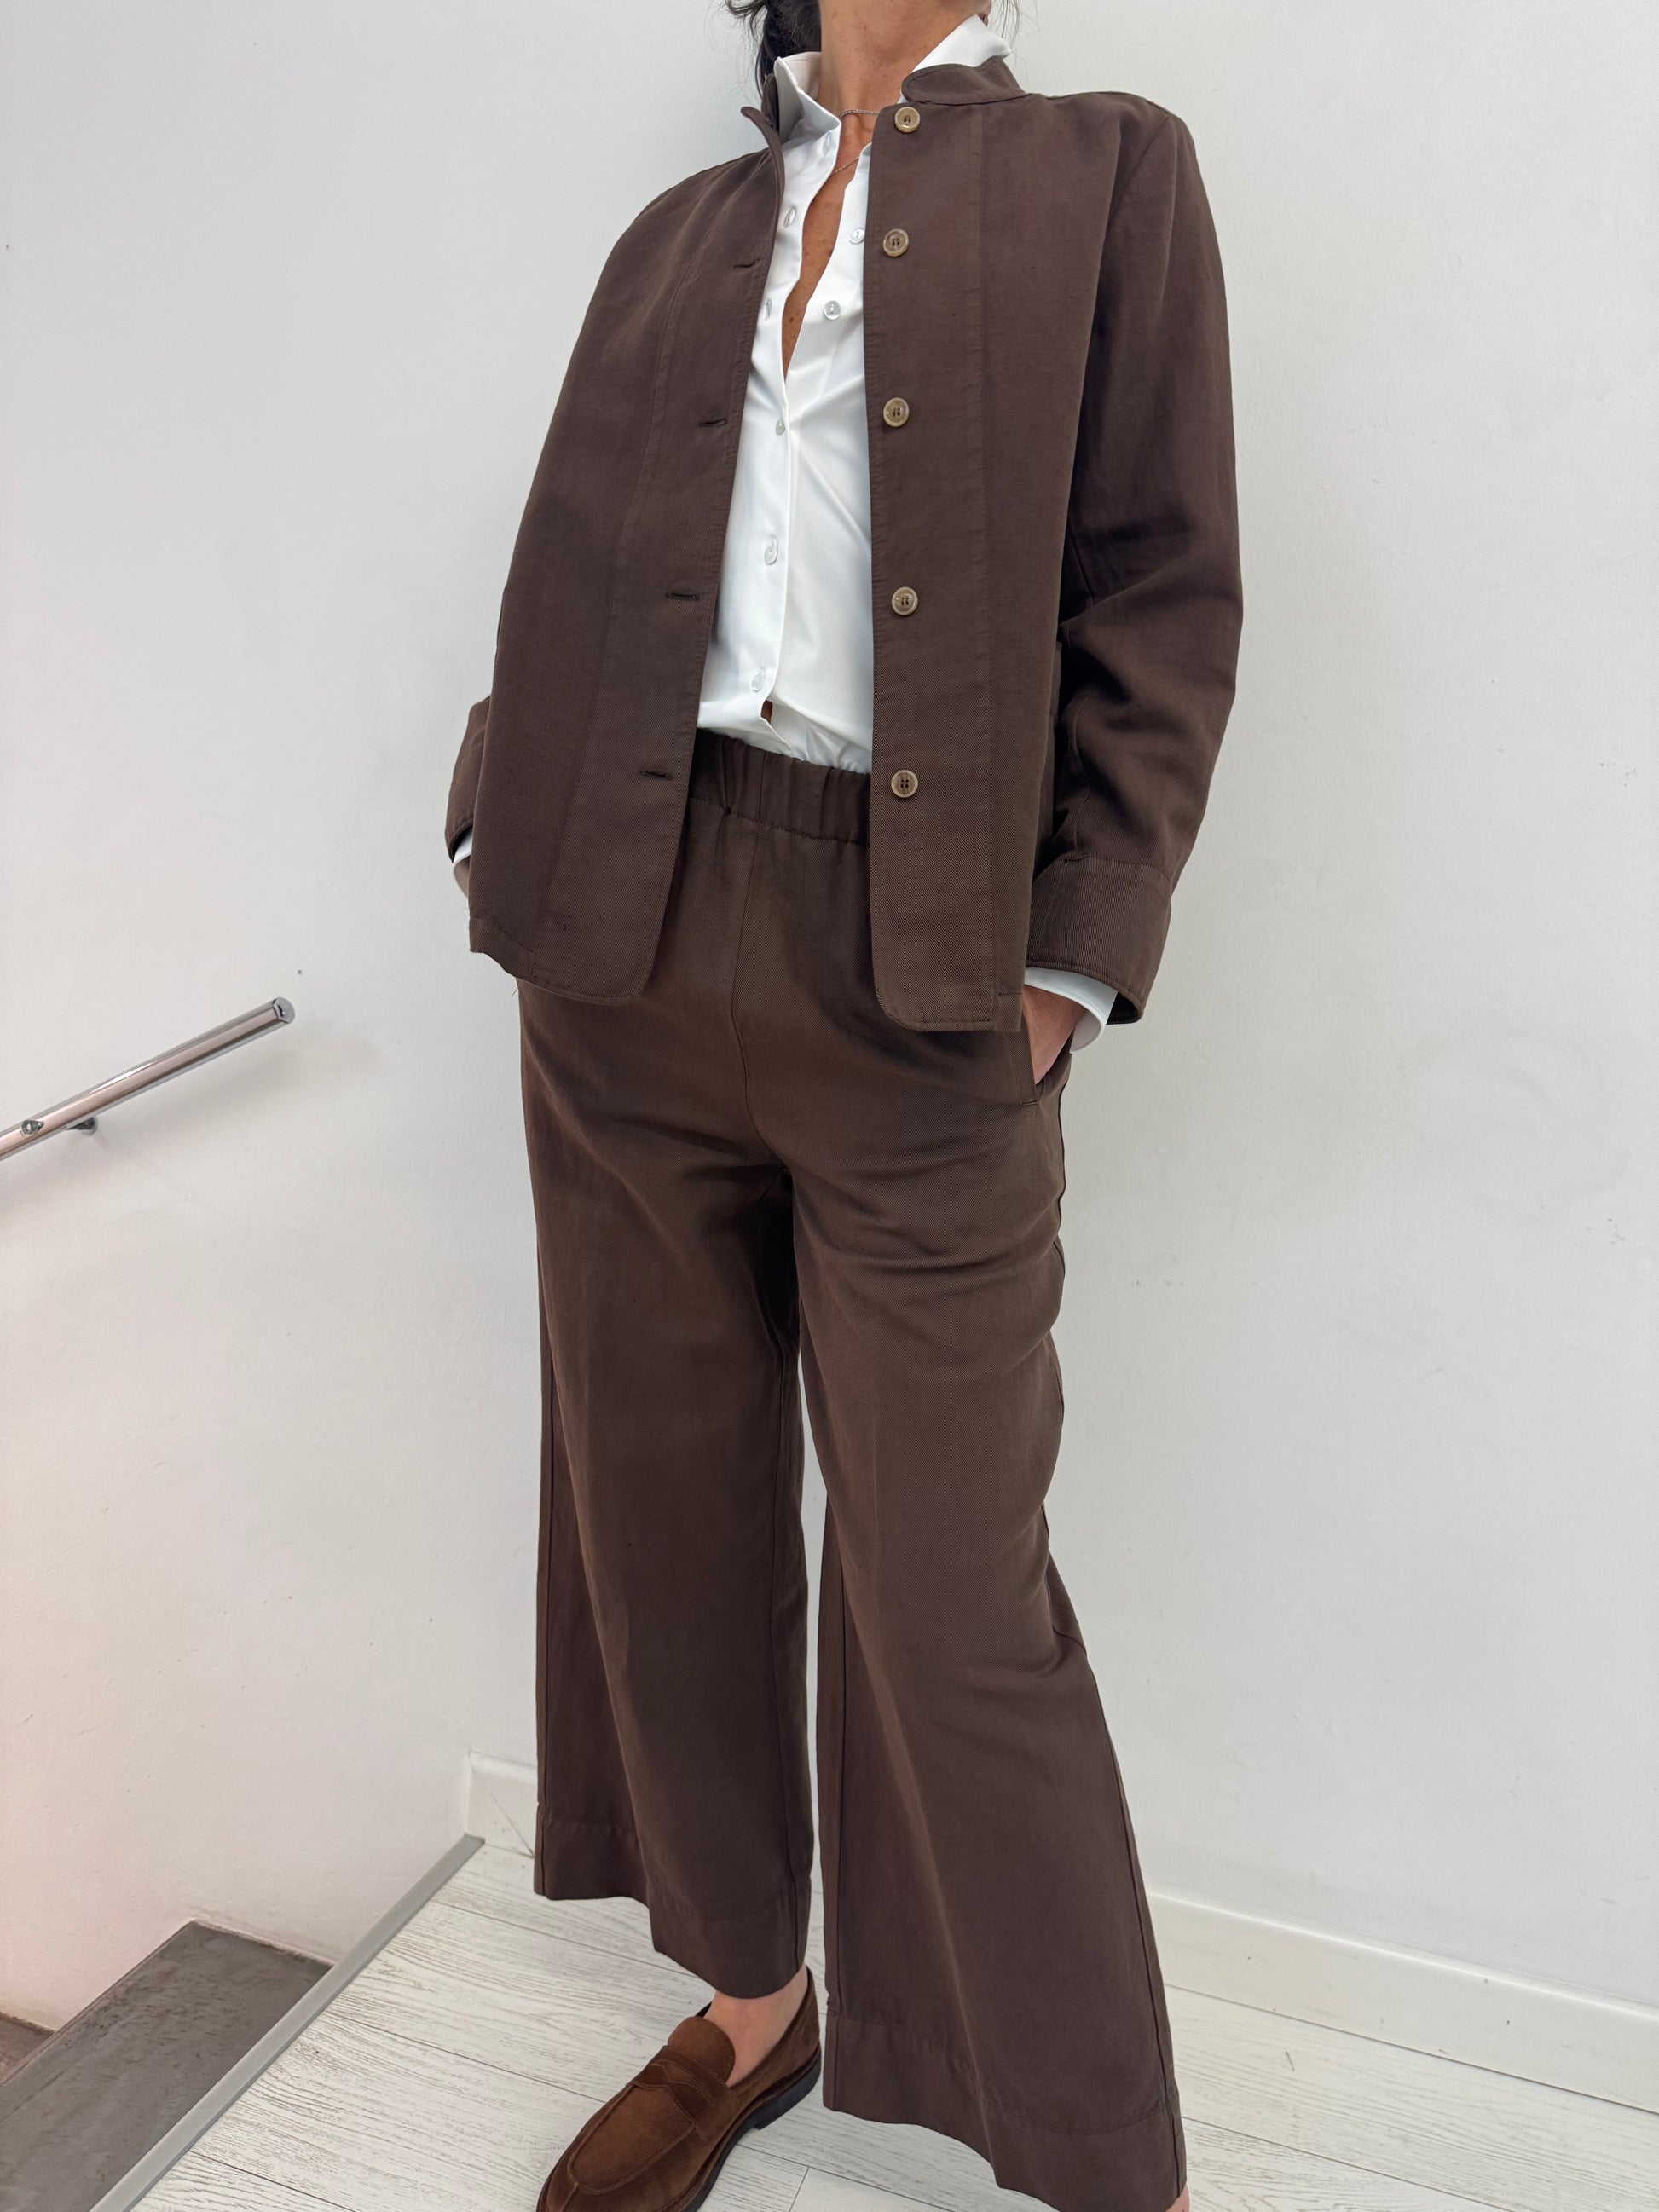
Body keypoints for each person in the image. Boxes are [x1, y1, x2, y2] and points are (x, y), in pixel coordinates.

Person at [447, 4, 1240, 2209]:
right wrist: (492, 802)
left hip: (923, 974)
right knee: (660, 1514)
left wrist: (1069, 958)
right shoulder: (685, 222)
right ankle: (747, 2004)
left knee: (950, 1589)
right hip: (619, 932)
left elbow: (1162, 582)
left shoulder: (1108, 169)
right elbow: (575, 552)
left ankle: (1100, 2155)